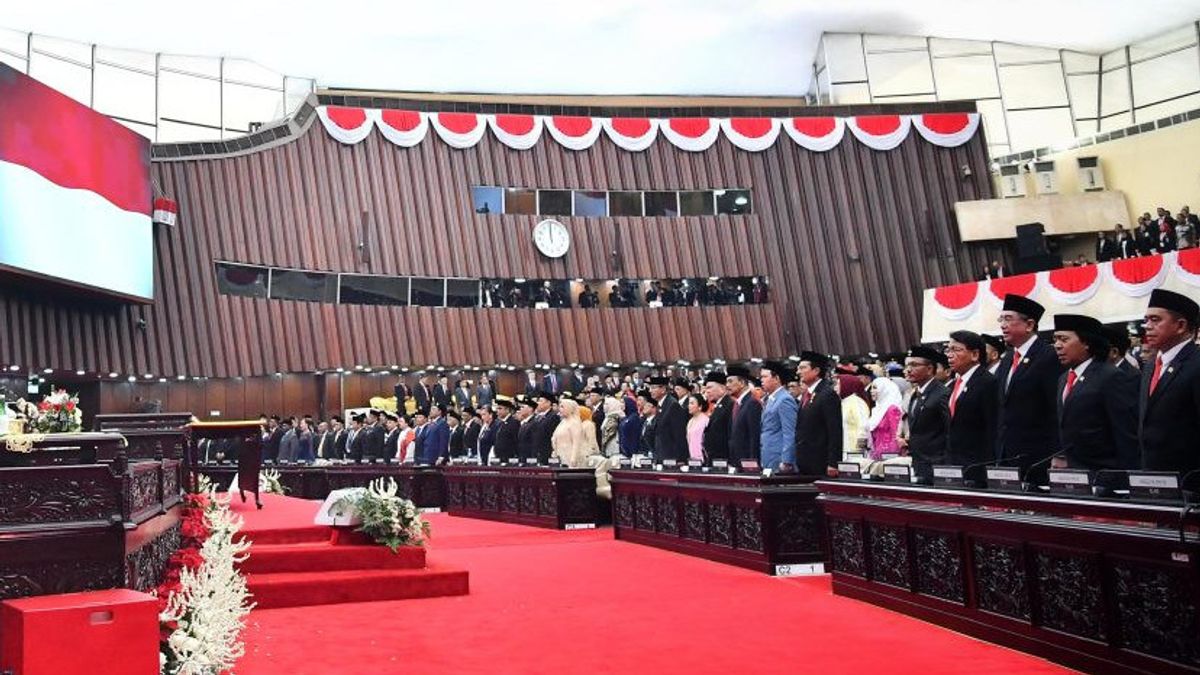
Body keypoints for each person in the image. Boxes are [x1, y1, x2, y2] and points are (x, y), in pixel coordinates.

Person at [1050, 314, 1139, 472]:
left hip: (1104, 472)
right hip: (1072, 472)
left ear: (1086, 343)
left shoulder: (1110, 376)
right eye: (1055, 339)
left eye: (1064, 339)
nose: (1057, 345)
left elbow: (1125, 432)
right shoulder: (1063, 378)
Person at [996, 294, 1062, 480]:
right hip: (1008, 455)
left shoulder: (1049, 356)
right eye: (1001, 319)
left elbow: (1055, 409)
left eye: (1008, 319)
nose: (1002, 325)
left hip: (1039, 455)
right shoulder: (1008, 358)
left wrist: (1058, 453)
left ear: (1030, 325)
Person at [1139, 289, 1200, 475]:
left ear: (1180, 325)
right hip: (1153, 477)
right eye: (1146, 320)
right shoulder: (1150, 366)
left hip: (1190, 480)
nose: (1147, 326)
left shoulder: (1196, 363)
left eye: (1155, 320)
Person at [944, 331, 998, 469]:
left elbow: (993, 427)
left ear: (975, 354)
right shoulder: (952, 384)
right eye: (948, 350)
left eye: (956, 350)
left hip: (978, 464)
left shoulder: (988, 382)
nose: (949, 355)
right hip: (953, 463)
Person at [899, 346, 949, 483]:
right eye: (907, 365)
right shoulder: (915, 394)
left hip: (938, 465)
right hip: (919, 463)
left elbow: (949, 430)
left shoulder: (942, 394)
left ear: (929, 369)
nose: (908, 369)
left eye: (914, 365)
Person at [794, 352, 841, 477]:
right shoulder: (806, 394)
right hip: (805, 460)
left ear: (816, 370)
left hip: (820, 461)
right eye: (798, 368)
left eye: (803, 368)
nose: (798, 372)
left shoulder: (827, 394)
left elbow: (835, 431)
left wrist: (833, 462)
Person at [757, 361, 798, 471]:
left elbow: (789, 432)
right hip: (768, 455)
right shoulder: (770, 399)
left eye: (765, 376)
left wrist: (787, 460)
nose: (761, 380)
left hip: (779, 458)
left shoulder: (785, 399)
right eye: (761, 377)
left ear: (776, 378)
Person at [647, 376, 688, 462]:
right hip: (661, 456)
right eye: (650, 388)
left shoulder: (672, 405)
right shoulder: (661, 405)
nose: (650, 391)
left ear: (663, 389)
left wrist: (680, 459)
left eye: (653, 388)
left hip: (671, 458)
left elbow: (679, 435)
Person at [726, 365, 762, 462]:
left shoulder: (752, 403)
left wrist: (752, 461)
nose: (727, 385)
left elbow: (754, 436)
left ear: (742, 383)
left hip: (747, 462)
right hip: (737, 460)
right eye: (727, 382)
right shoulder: (738, 404)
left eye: (730, 381)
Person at [551, 399, 597, 468]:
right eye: (560, 407)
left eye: (562, 407)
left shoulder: (575, 423)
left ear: (570, 408)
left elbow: (576, 443)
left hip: (570, 456)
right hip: (560, 455)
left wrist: (573, 459)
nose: (560, 409)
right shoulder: (562, 422)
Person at [865, 377, 903, 459]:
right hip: (875, 452)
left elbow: (896, 435)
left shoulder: (892, 409)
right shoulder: (877, 409)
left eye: (875, 388)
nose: (871, 391)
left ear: (884, 389)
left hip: (889, 454)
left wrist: (892, 456)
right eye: (871, 388)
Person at [701, 370, 732, 463]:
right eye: (706, 388)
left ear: (722, 388)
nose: (707, 391)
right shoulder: (719, 405)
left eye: (710, 387)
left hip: (724, 458)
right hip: (715, 458)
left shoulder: (729, 405)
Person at [836, 374, 869, 455]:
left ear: (846, 385)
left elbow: (863, 425)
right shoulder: (844, 402)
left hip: (854, 450)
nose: (835, 387)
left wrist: (860, 450)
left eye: (838, 384)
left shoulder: (857, 402)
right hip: (844, 447)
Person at [531, 391, 561, 464]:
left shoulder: (553, 417)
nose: (538, 403)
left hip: (547, 453)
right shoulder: (538, 417)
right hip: (537, 453)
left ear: (548, 403)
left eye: (541, 401)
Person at [492, 397, 520, 462]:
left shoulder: (513, 422)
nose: (497, 411)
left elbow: (516, 440)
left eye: (500, 408)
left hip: (509, 458)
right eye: (497, 408)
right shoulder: (499, 423)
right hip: (500, 457)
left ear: (507, 410)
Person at [684, 393, 710, 462]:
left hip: (702, 457)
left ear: (700, 406)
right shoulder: (690, 421)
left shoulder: (705, 420)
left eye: (692, 403)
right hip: (691, 457)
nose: (689, 406)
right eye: (689, 403)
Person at [515, 397, 538, 462]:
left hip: (529, 459)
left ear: (530, 409)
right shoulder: (524, 423)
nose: (520, 409)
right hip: (522, 458)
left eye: (523, 407)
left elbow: (534, 444)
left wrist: (532, 460)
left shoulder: (534, 423)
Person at [637, 392, 658, 457]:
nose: (644, 407)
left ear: (654, 408)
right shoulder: (644, 421)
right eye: (645, 405)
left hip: (656, 455)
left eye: (648, 406)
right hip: (645, 454)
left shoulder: (657, 421)